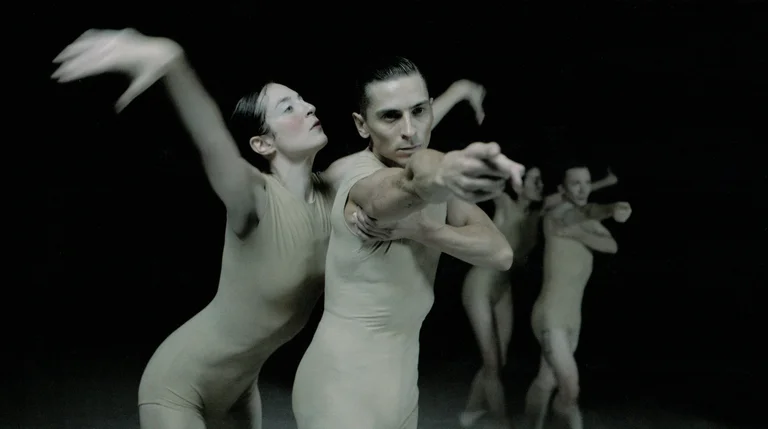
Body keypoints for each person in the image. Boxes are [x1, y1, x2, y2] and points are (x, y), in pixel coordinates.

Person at [51, 29, 489, 429]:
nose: (309, 107)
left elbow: (403, 133)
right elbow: (211, 141)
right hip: (177, 387)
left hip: (243, 388)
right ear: (263, 143)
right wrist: (172, 63)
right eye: (288, 107)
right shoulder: (253, 196)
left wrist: (451, 95)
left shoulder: (335, 184)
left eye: (303, 100)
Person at [290, 56, 525, 429]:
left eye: (419, 112)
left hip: (402, 389)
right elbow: (396, 191)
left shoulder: (435, 183)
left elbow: (501, 254)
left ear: (432, 110)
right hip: (342, 387)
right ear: (361, 126)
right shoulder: (356, 174)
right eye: (390, 117)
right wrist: (441, 174)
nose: (410, 131)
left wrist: (425, 230)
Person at [458, 165, 619, 427]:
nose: (540, 184)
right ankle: (503, 423)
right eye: (534, 180)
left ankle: (471, 410)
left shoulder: (538, 215)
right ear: (517, 184)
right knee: (491, 362)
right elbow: (471, 191)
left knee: (498, 358)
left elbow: (572, 194)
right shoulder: (504, 202)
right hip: (480, 283)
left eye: (541, 181)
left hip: (503, 287)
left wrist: (604, 183)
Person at [524, 161, 632, 429]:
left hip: (572, 318)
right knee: (570, 389)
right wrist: (610, 209)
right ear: (563, 188)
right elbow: (583, 215)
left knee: (546, 380)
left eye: (586, 182)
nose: (583, 188)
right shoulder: (556, 215)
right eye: (575, 183)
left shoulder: (583, 221)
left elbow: (612, 245)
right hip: (550, 316)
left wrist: (580, 234)